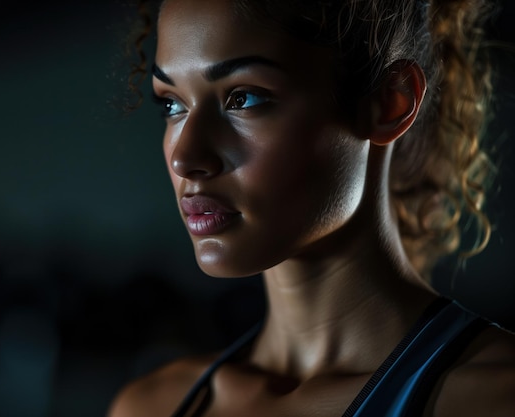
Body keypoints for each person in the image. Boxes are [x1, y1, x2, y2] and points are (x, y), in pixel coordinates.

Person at [109, 0, 515, 415]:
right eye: (172, 104)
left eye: (244, 98)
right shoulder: (148, 407)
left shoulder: (495, 399)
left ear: (390, 102)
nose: (185, 157)